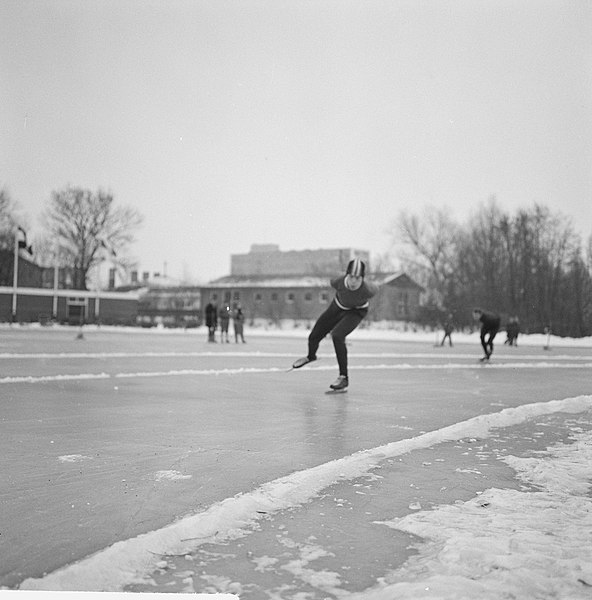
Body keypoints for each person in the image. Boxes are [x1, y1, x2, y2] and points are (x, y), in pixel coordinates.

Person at [292, 258, 379, 391]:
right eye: (351, 277)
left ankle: (343, 378)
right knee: (314, 335)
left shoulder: (368, 290)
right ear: (346, 275)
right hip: (338, 307)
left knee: (337, 335)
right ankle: (310, 356)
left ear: (362, 278)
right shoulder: (338, 282)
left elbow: (376, 288)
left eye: (358, 278)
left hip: (356, 311)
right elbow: (332, 283)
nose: (354, 281)